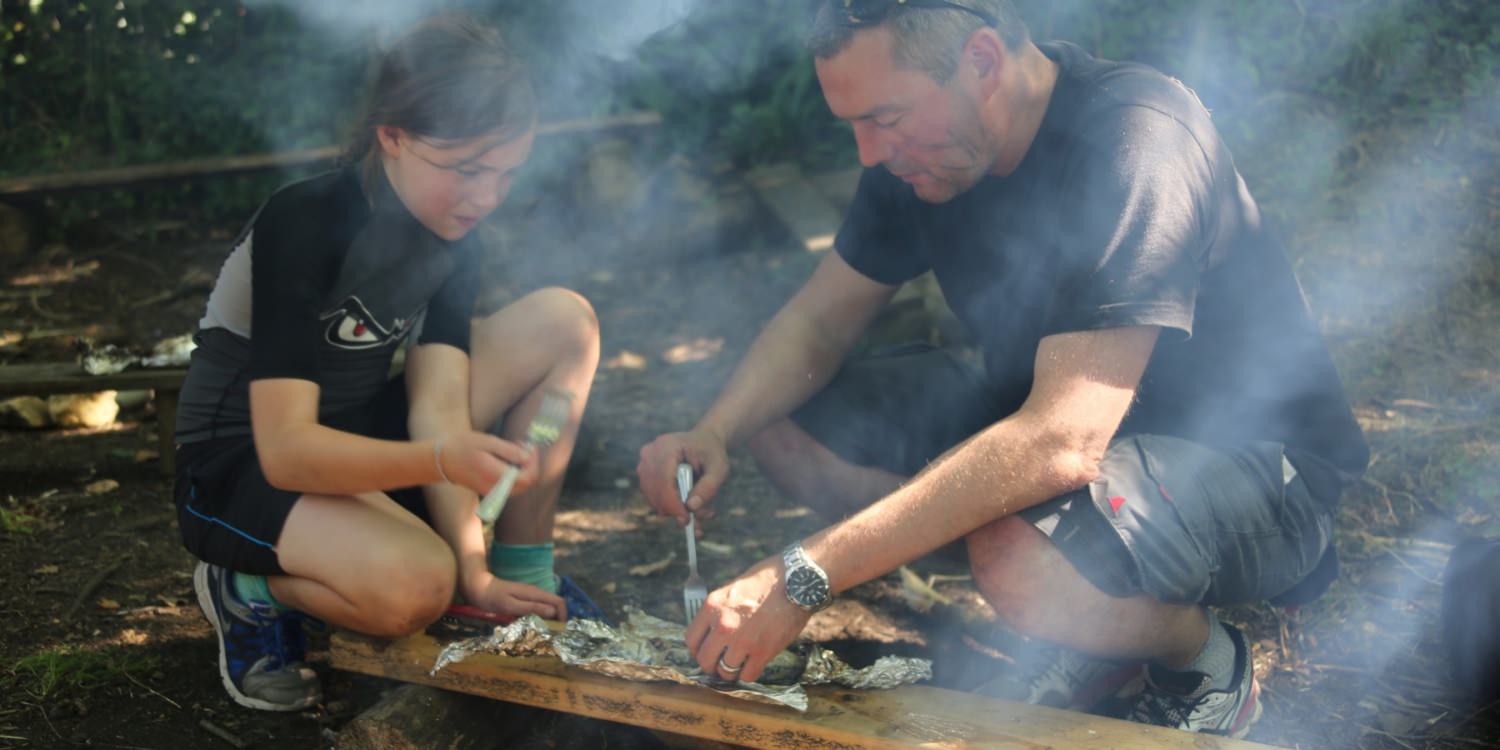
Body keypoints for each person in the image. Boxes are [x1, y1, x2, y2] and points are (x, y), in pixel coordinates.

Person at [637, 0, 1367, 738]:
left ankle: (1205, 660)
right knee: (782, 415)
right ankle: (1091, 625)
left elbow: (1061, 440)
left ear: (982, 62)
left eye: (884, 118)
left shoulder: (1136, 137)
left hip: (1256, 472)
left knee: (1015, 551)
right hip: (1067, 440)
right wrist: (717, 431)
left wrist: (805, 574)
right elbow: (818, 322)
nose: (866, 151)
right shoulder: (918, 151)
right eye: (853, 124)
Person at [173, 16, 604, 712]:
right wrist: (441, 463)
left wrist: (477, 570)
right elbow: (287, 454)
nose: (486, 198)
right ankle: (243, 591)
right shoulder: (306, 219)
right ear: (393, 136)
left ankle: (522, 579)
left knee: (564, 322)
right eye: (466, 170)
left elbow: (438, 407)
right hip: (242, 462)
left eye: (506, 174)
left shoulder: (459, 240)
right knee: (416, 589)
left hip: (363, 441)